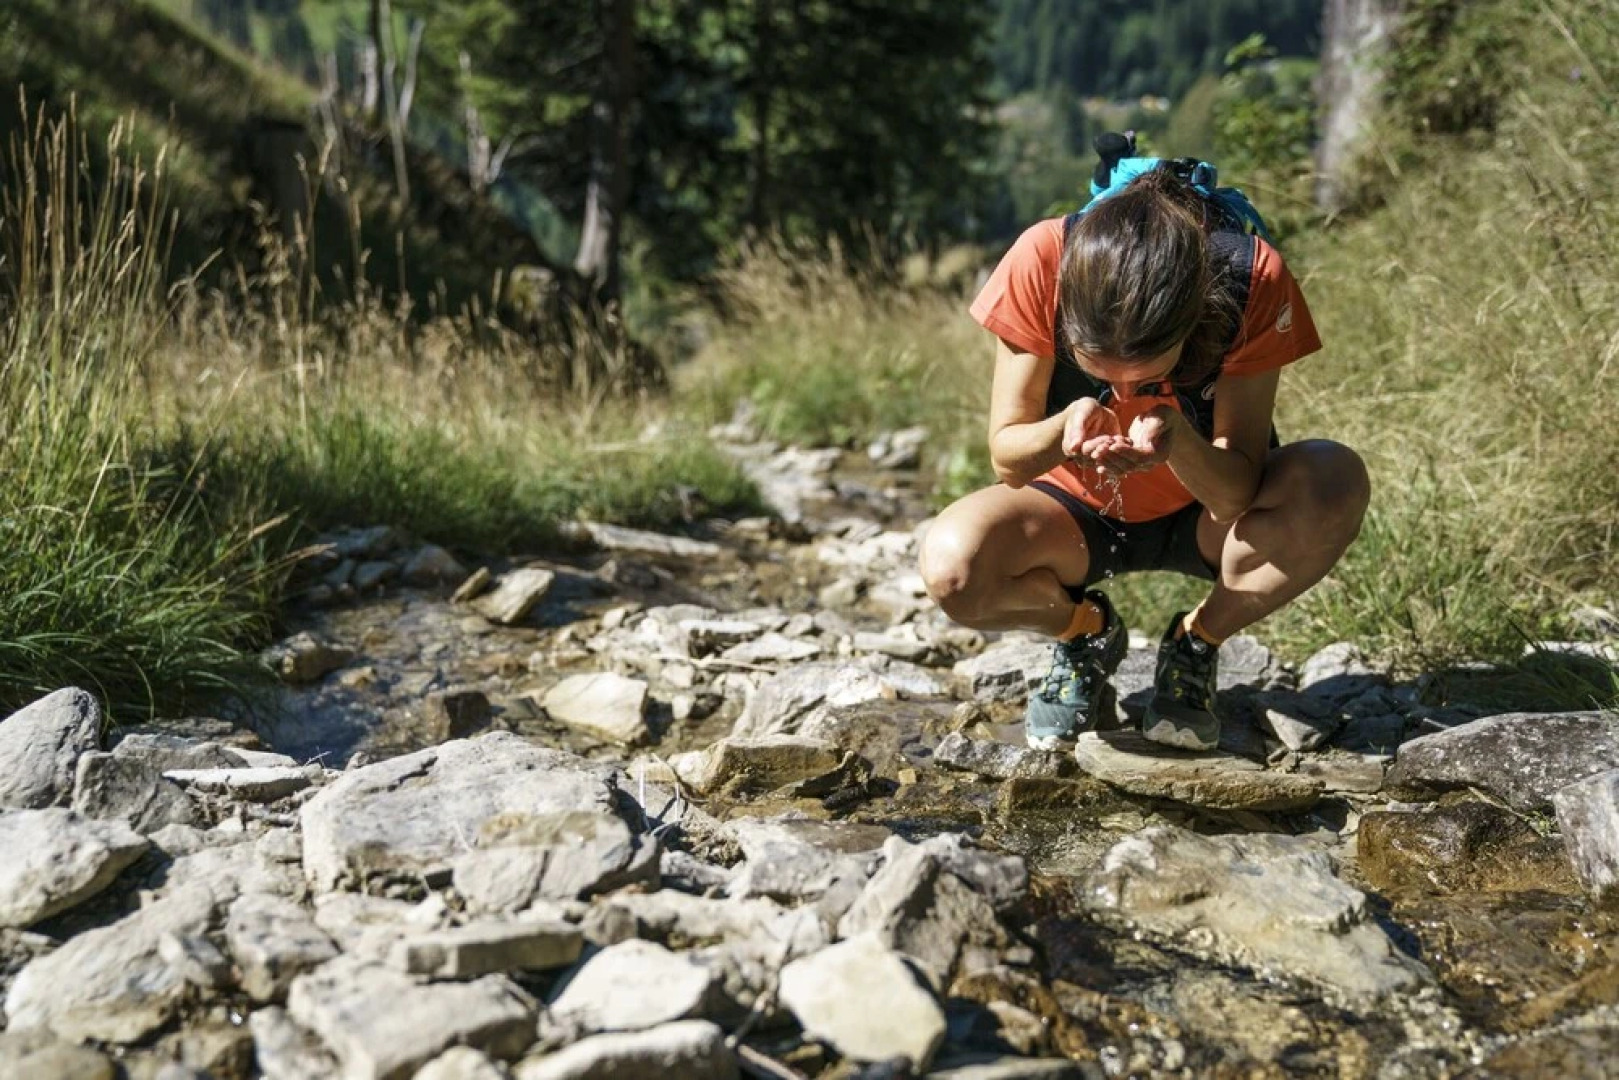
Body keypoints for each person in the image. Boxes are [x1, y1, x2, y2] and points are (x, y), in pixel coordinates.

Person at [918, 163, 1370, 752]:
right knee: (955, 571)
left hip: (1206, 515)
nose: (1126, 396)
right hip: (1074, 511)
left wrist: (1178, 440)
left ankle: (1195, 642)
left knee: (1334, 479)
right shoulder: (1041, 259)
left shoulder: (1250, 277)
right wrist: (1065, 429)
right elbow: (1009, 459)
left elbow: (1236, 493)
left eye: (1150, 375)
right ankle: (1086, 634)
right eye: (1101, 374)